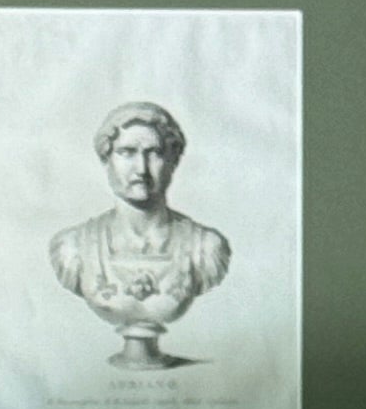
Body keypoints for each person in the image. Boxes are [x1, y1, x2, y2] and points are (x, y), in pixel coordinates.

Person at [50, 101, 233, 368]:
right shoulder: (73, 247)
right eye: (127, 152)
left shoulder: (206, 248)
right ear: (107, 159)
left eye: (154, 153)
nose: (142, 169)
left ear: (172, 160)